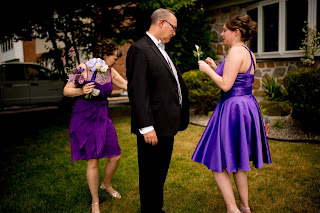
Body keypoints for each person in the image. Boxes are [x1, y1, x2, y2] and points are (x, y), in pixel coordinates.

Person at [192, 14, 272, 213]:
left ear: (236, 32)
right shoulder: (247, 52)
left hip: (233, 108)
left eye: (225, 30)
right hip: (245, 105)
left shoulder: (236, 52)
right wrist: (214, 67)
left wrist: (207, 71)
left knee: (216, 161)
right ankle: (244, 207)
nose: (222, 33)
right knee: (238, 161)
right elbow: (236, 78)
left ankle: (232, 209)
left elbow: (226, 85)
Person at [126, 8, 189, 213]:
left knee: (160, 172)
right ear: (161, 23)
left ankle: (156, 209)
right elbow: (138, 91)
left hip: (167, 125)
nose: (174, 33)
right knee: (150, 174)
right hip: (153, 127)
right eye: (173, 28)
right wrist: (146, 127)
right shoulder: (140, 49)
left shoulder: (160, 49)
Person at [64, 38, 127, 213]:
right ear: (104, 55)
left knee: (115, 156)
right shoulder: (82, 68)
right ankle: (95, 201)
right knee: (93, 160)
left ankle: (106, 184)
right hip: (84, 116)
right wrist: (80, 90)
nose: (116, 61)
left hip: (102, 116)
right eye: (114, 58)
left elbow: (127, 85)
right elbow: (66, 90)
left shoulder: (110, 71)